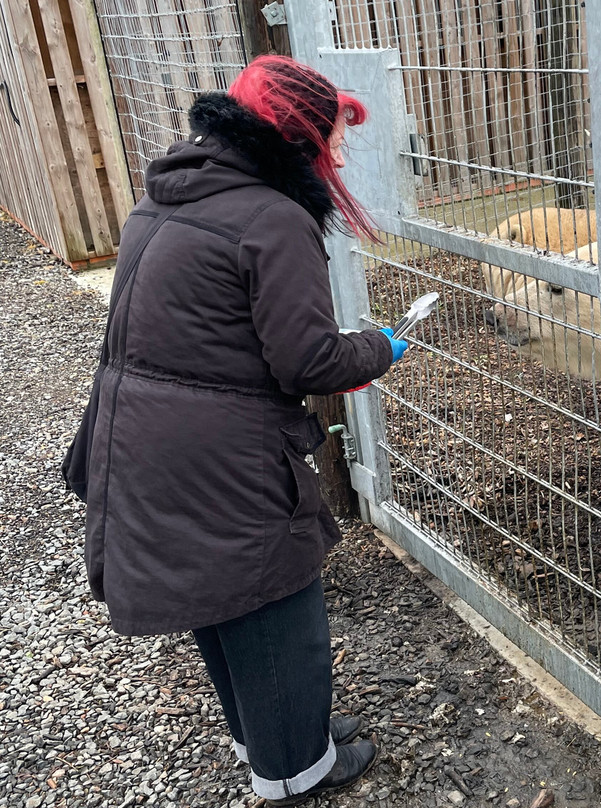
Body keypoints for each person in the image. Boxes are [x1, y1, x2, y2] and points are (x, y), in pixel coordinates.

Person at [80, 55, 408, 806]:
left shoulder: (170, 196)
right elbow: (308, 360)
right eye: (335, 131)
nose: (343, 150)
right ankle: (297, 769)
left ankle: (268, 737)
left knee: (217, 598)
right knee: (273, 598)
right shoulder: (272, 216)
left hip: (143, 435)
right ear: (298, 135)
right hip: (217, 451)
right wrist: (378, 350)